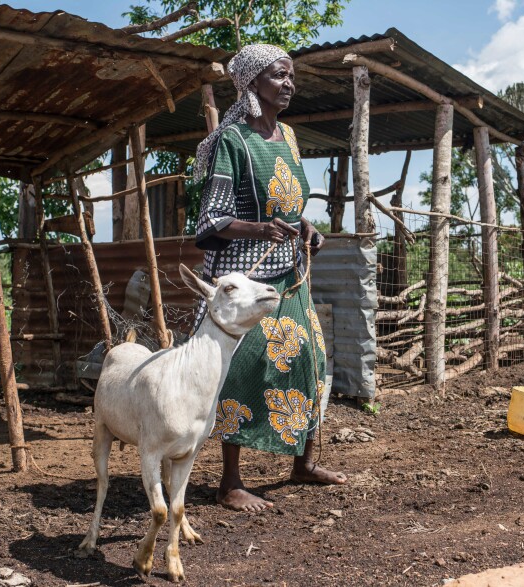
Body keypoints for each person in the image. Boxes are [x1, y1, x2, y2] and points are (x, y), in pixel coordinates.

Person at [193, 44, 347, 512]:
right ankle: (230, 482)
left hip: (291, 272)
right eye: (279, 76)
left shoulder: (290, 136)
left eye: (292, 76)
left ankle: (303, 462)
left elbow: (291, 208)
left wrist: (306, 228)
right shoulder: (232, 141)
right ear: (252, 83)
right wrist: (261, 228)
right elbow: (211, 220)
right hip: (246, 277)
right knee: (244, 367)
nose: (289, 84)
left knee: (313, 360)